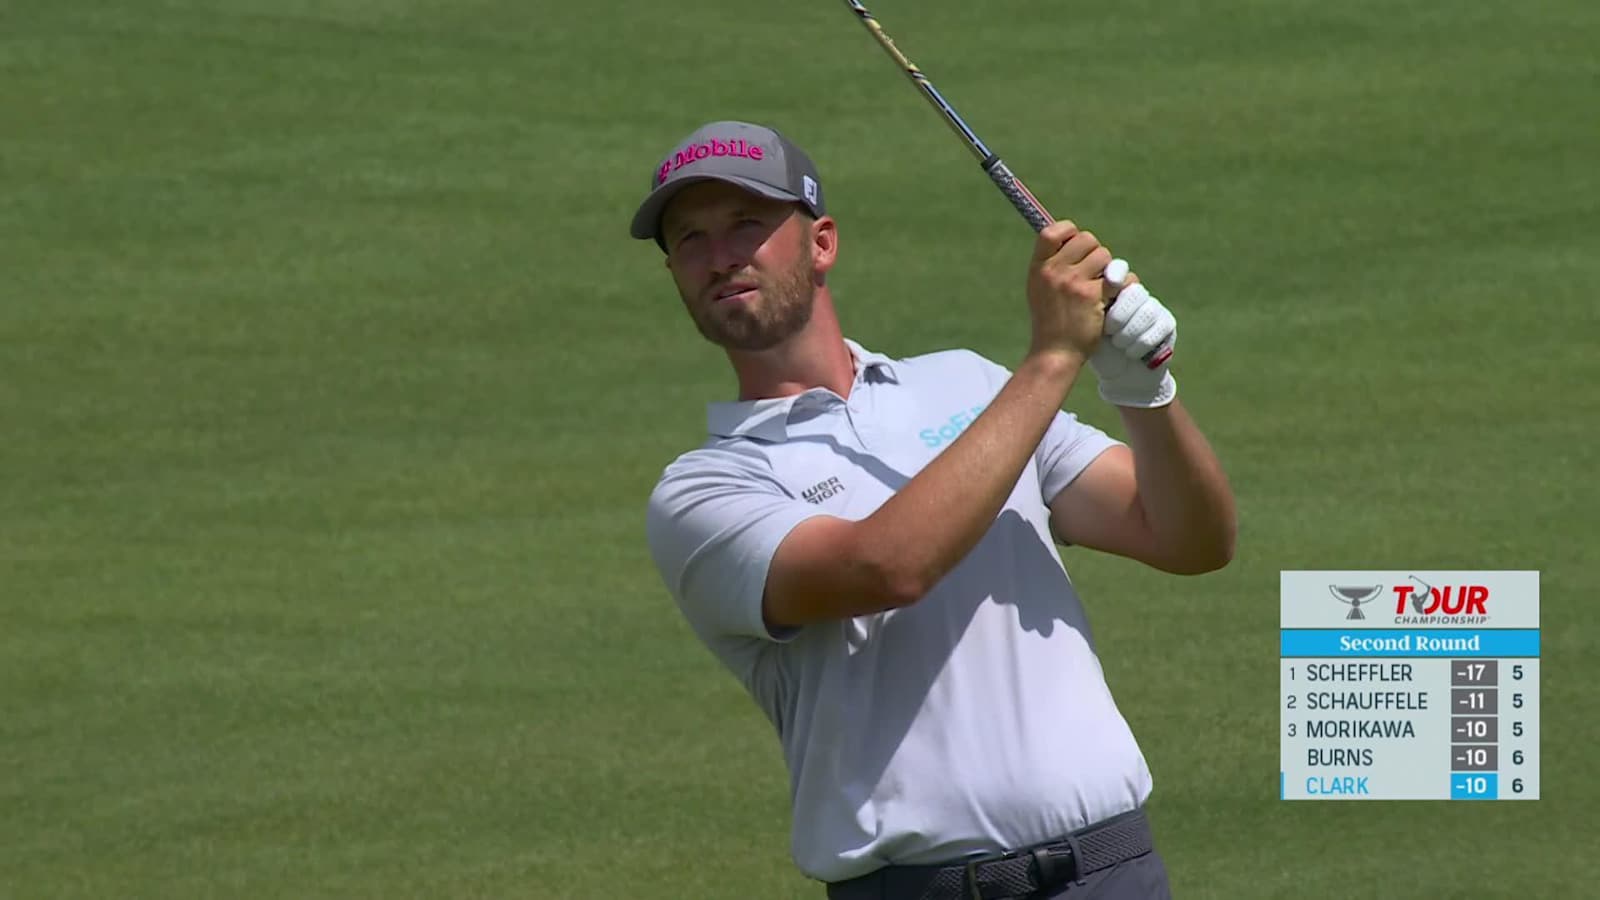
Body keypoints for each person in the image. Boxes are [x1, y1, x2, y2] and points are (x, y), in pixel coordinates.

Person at [633, 120, 1236, 900]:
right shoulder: (704, 491)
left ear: (821, 243)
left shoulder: (969, 385)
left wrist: (1144, 392)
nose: (720, 257)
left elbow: (1190, 539)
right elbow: (887, 566)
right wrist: (1055, 357)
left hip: (1113, 873)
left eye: (747, 225)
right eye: (689, 240)